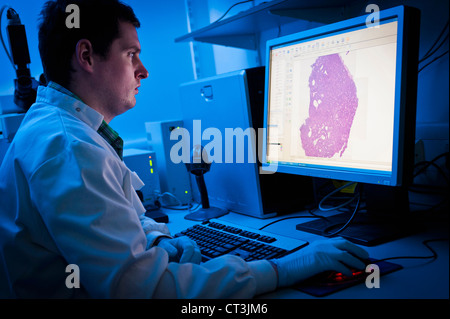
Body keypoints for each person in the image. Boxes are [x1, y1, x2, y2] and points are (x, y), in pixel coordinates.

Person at [0, 0, 369, 298]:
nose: (143, 71)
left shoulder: (59, 128)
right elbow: (143, 290)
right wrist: (283, 268)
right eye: (131, 54)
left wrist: (163, 240)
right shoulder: (71, 149)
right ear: (86, 56)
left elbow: (121, 216)